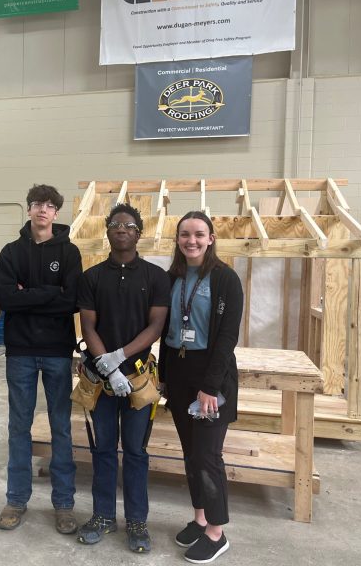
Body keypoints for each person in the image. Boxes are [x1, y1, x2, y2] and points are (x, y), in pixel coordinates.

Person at [76, 204, 169, 553]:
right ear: (108, 231)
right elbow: (88, 326)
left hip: (140, 381)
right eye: (115, 224)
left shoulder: (155, 277)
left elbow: (156, 326)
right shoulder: (92, 277)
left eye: (129, 225)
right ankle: (102, 516)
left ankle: (136, 521)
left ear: (138, 232)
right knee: (101, 449)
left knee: (135, 451)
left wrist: (122, 359)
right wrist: (109, 367)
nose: (122, 229)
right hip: (101, 381)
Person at [0, 184, 82, 534]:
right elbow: (6, 300)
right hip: (21, 352)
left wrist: (28, 295)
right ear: (28, 210)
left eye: (48, 206)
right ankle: (16, 499)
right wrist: (52, 293)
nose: (42, 210)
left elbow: (72, 300)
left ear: (56, 213)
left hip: (58, 352)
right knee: (19, 427)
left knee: (61, 428)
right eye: (36, 204)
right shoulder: (11, 252)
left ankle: (63, 504)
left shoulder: (71, 253)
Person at [159, 211, 243, 564]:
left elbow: (227, 337)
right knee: (191, 454)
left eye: (198, 234)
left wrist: (210, 386)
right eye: (184, 235)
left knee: (208, 456)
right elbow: (165, 331)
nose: (191, 240)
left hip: (211, 377)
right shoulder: (171, 277)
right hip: (178, 373)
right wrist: (163, 375)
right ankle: (200, 517)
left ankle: (217, 531)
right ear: (177, 240)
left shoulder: (225, 279)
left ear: (211, 238)